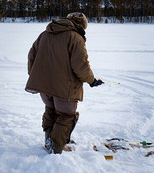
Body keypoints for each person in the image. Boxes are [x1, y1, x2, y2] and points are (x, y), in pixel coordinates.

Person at [25, 12, 103, 154]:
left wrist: (36, 76)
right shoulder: (76, 38)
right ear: (82, 25)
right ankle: (56, 148)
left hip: (44, 87)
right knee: (66, 116)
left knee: (51, 111)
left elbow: (31, 56)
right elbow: (81, 66)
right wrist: (91, 81)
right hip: (64, 89)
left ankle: (50, 142)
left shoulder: (45, 34)